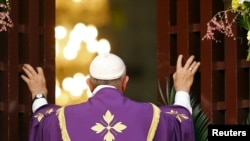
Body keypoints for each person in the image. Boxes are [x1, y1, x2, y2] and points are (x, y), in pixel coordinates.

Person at [21, 53, 200, 141]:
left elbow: (42, 122)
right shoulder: (152, 116)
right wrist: (182, 89)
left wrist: (38, 95)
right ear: (125, 82)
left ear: (89, 83)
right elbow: (180, 124)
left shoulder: (60, 119)